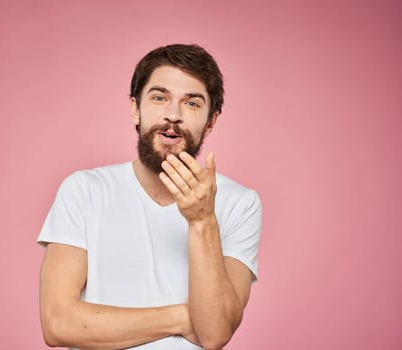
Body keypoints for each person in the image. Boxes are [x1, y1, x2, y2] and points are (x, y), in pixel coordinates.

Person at [37, 44, 262, 350]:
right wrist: (183, 317)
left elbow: (214, 333)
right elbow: (59, 324)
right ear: (135, 109)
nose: (173, 115)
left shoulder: (240, 204)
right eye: (159, 98)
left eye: (192, 103)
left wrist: (202, 220)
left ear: (211, 121)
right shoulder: (84, 190)